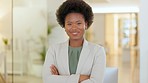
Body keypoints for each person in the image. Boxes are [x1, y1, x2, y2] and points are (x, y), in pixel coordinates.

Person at [42, 0, 106, 83]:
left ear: (86, 24)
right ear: (64, 26)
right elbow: (47, 80)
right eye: (69, 24)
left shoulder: (98, 51)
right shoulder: (53, 50)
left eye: (78, 23)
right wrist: (80, 78)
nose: (74, 28)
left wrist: (60, 78)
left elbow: (96, 81)